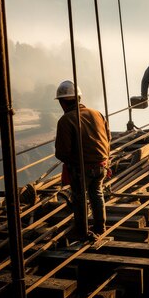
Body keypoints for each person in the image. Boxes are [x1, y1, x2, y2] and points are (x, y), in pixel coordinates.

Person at [54, 80, 110, 240]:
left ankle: (82, 231)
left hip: (82, 169)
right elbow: (108, 137)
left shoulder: (66, 120)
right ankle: (100, 226)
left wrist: (73, 162)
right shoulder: (97, 113)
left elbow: (62, 153)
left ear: (63, 103)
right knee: (96, 193)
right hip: (101, 165)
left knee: (79, 197)